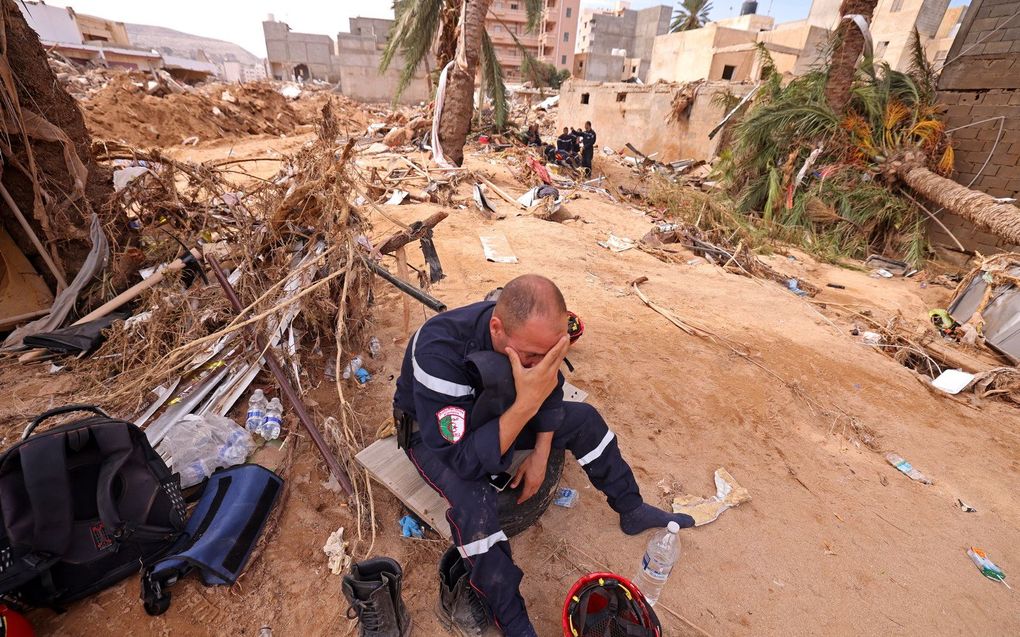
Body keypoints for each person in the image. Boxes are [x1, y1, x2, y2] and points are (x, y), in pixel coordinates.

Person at [393, 275, 695, 637]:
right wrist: (525, 403)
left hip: (498, 410)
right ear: (497, 328)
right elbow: (461, 457)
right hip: (437, 438)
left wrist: (541, 450)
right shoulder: (437, 353)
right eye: (533, 356)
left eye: (550, 355)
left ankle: (631, 508)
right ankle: (513, 620)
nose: (541, 364)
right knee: (475, 503)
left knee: (585, 420)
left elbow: (549, 387)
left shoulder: (532, 341)